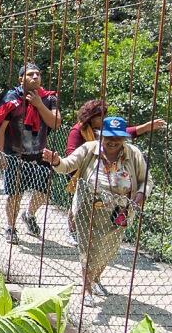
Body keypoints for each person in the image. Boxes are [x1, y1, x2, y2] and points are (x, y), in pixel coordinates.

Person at [43, 117, 152, 307]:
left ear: (124, 139)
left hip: (120, 212)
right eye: (109, 136)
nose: (112, 141)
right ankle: (86, 289)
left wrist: (140, 195)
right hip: (89, 209)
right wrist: (57, 161)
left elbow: (146, 180)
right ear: (102, 136)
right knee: (89, 248)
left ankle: (95, 278)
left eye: (117, 138)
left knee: (108, 251)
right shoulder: (89, 149)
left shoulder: (133, 154)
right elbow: (68, 165)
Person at [62, 100, 165, 245]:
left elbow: (125, 133)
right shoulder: (79, 130)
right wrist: (86, 161)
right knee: (79, 203)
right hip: (81, 172)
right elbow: (70, 152)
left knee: (101, 204)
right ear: (92, 116)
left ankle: (98, 234)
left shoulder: (106, 131)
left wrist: (147, 127)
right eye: (101, 115)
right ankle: (72, 231)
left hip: (105, 171)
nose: (104, 118)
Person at [0, 63, 60, 244]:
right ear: (21, 79)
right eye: (30, 74)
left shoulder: (50, 99)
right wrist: (0, 154)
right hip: (16, 155)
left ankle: (29, 214)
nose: (35, 77)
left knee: (43, 192)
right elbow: (0, 129)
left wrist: (39, 104)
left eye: (38, 74)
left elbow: (55, 123)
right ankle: (11, 227)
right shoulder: (12, 99)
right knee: (15, 194)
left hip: (41, 154)